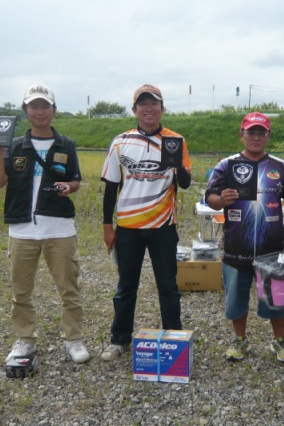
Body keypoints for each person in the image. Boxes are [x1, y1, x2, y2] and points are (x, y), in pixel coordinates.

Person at [0, 84, 90, 364]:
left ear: (54, 111)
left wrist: (69, 187)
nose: (40, 111)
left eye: (45, 106)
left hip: (59, 229)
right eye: (34, 106)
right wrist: (0, 150)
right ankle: (25, 339)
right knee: (20, 291)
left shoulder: (66, 145)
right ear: (26, 111)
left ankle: (74, 339)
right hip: (21, 230)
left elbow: (76, 181)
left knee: (69, 289)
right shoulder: (14, 146)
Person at [100, 84, 192, 361]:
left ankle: (174, 337)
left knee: (168, 284)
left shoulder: (176, 140)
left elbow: (185, 184)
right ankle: (119, 339)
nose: (149, 109)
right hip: (128, 227)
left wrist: (176, 164)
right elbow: (110, 188)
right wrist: (107, 226)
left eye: (154, 104)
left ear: (162, 109)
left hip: (164, 226)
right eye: (143, 104)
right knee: (126, 285)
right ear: (135, 110)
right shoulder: (121, 142)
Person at [205, 112, 284, 363]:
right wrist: (221, 200)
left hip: (272, 248)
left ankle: (279, 340)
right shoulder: (226, 165)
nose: (256, 137)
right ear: (241, 135)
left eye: (262, 133)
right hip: (236, 247)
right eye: (251, 132)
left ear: (268, 136)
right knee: (236, 299)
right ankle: (240, 340)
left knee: (275, 298)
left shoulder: (282, 167)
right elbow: (210, 198)